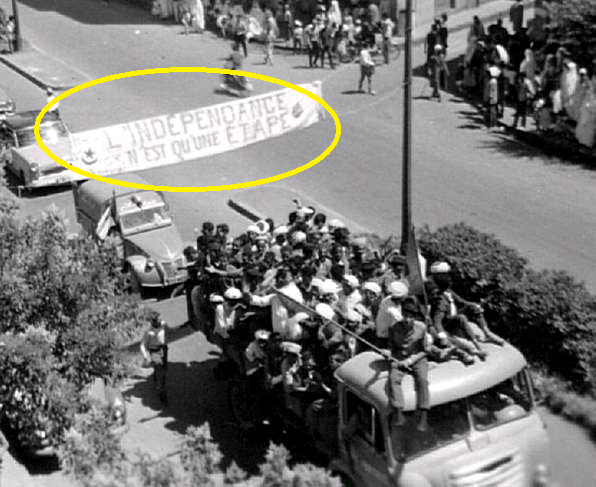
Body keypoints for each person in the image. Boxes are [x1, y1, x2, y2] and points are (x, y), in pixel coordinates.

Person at [386, 296, 431, 431]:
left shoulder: (421, 328)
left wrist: (411, 360)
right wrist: (388, 353)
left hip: (417, 359)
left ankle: (424, 415)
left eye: (410, 317)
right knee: (393, 379)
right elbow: (391, 347)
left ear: (415, 317)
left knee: (422, 380)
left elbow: (425, 350)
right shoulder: (394, 328)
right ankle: (399, 412)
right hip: (399, 358)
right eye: (405, 316)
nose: (407, 319)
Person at [140, 314, 169, 404]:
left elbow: (169, 330)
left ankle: (158, 380)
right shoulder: (149, 332)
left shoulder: (163, 325)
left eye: (159, 319)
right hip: (154, 351)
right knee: (160, 369)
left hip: (163, 349)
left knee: (163, 369)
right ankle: (162, 392)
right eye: (156, 320)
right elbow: (143, 345)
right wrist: (145, 356)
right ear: (152, 322)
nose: (159, 321)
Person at [375, 281, 408, 345]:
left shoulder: (389, 299)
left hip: (390, 333)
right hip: (383, 337)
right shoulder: (390, 308)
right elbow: (402, 321)